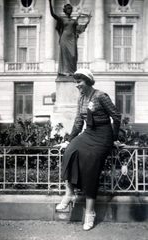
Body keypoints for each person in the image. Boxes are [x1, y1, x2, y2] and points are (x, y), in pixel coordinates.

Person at [55, 68, 122, 231]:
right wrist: (69, 140)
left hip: (103, 135)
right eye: (76, 82)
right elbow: (79, 121)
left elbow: (116, 116)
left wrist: (113, 138)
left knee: (91, 165)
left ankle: (90, 213)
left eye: (79, 82)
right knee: (71, 150)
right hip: (89, 133)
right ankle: (69, 194)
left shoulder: (101, 96)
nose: (77, 85)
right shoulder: (81, 98)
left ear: (88, 81)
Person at [48, 0, 91, 76]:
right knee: (65, 55)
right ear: (65, 10)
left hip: (72, 38)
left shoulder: (74, 21)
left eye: (70, 9)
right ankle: (64, 72)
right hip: (64, 38)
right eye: (68, 9)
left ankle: (72, 71)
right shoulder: (62, 19)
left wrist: (86, 22)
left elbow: (78, 28)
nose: (70, 10)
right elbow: (52, 14)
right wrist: (50, 2)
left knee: (73, 55)